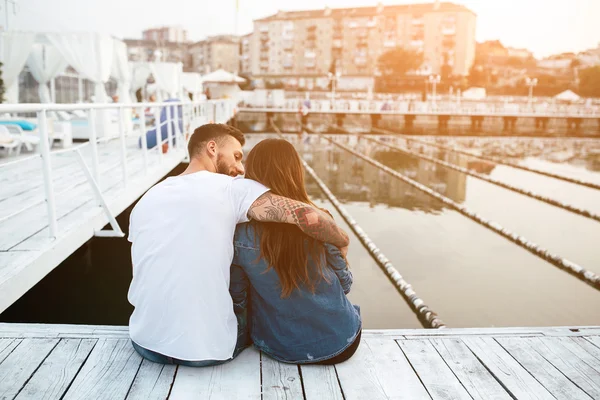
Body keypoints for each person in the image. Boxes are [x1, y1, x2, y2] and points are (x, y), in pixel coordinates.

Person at [128, 124, 349, 367]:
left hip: (145, 342)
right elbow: (309, 217)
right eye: (236, 156)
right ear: (212, 148)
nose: (241, 168)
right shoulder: (232, 188)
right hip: (208, 352)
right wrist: (342, 240)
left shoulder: (148, 196)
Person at [230, 138, 361, 365]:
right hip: (344, 342)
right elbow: (346, 285)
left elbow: (238, 297)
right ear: (295, 173)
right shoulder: (321, 222)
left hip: (282, 348)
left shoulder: (240, 235)